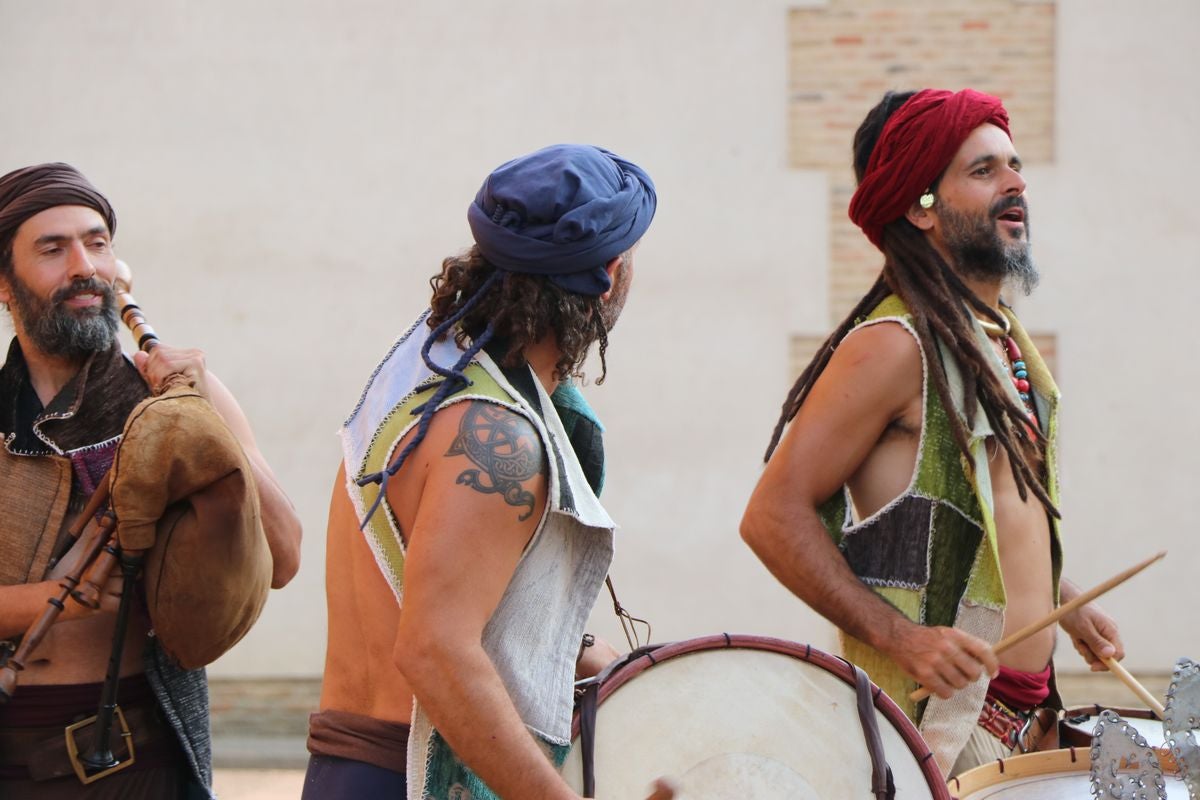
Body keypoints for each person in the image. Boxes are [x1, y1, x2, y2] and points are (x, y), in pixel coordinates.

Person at [739, 89, 1125, 776]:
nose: (1016, 185)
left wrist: (1065, 602)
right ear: (920, 207)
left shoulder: (997, 343)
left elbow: (995, 524)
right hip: (940, 737)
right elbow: (771, 517)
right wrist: (903, 638)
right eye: (984, 172)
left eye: (1014, 165)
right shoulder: (893, 348)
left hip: (1027, 723)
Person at [306, 144, 673, 800]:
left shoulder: (430, 365)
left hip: (350, 767)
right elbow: (435, 651)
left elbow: (456, 595)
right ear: (610, 274)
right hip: (410, 778)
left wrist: (590, 659)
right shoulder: (499, 435)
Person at [0, 162, 303, 798]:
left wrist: (197, 413)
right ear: (5, 284)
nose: (85, 265)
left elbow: (282, 555)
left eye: (98, 242)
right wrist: (56, 598)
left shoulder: (177, 394)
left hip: (138, 755)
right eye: (53, 249)